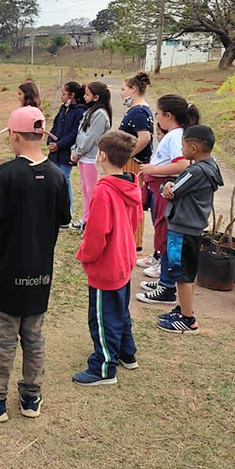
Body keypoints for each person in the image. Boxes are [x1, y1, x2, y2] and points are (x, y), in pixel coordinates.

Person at [0, 106, 71, 422]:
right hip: (40, 272)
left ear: (15, 136)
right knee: (34, 335)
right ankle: (31, 397)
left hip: (6, 270)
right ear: (42, 135)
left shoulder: (5, 174)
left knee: (5, 337)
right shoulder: (56, 176)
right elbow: (64, 221)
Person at [73, 131, 142, 386]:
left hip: (107, 264)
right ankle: (127, 352)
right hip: (124, 257)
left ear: (101, 155)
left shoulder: (104, 191)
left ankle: (103, 367)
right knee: (120, 310)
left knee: (103, 317)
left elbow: (96, 234)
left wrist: (86, 256)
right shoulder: (131, 184)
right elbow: (135, 220)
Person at [139, 125, 223, 334]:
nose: (181, 149)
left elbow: (171, 192)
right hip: (193, 228)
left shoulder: (195, 171)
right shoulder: (211, 167)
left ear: (193, 148)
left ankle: (188, 320)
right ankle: (185, 309)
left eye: (183, 145)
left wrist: (166, 185)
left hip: (182, 229)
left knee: (182, 275)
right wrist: (170, 184)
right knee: (187, 273)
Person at [137, 95, 198, 280]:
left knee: (164, 229)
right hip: (156, 188)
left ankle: (164, 269)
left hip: (165, 189)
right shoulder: (173, 135)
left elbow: (183, 165)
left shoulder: (175, 136)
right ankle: (159, 260)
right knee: (159, 226)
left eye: (158, 113)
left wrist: (154, 169)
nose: (156, 117)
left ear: (168, 115)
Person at [119, 72, 155, 255]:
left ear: (133, 89)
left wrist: (128, 154)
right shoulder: (137, 110)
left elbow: (145, 137)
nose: (121, 93)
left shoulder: (139, 111)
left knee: (133, 202)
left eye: (123, 89)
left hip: (134, 163)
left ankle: (134, 241)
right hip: (132, 162)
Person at [70, 82, 112, 230]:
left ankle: (95, 221)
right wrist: (75, 150)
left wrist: (78, 151)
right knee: (85, 189)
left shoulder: (100, 114)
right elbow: (81, 133)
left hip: (91, 157)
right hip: (83, 156)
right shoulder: (90, 111)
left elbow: (91, 137)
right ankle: (86, 218)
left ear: (96, 97)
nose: (84, 97)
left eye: (87, 94)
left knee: (92, 190)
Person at [48, 82, 86, 225]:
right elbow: (55, 126)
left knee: (65, 180)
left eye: (64, 94)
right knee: (52, 180)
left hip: (66, 152)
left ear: (72, 95)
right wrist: (50, 141)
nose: (61, 96)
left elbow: (75, 133)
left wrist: (59, 145)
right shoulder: (63, 108)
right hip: (54, 152)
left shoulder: (80, 112)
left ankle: (68, 211)